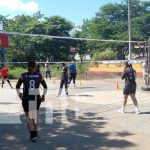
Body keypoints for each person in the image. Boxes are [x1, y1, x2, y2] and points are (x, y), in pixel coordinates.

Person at [16, 60, 47, 142]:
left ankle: (32, 135)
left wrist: (19, 94)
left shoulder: (23, 75)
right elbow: (45, 87)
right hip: (35, 97)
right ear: (35, 67)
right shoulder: (39, 75)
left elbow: (17, 87)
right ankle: (35, 134)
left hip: (26, 97)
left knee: (28, 117)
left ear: (28, 67)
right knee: (35, 117)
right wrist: (43, 96)